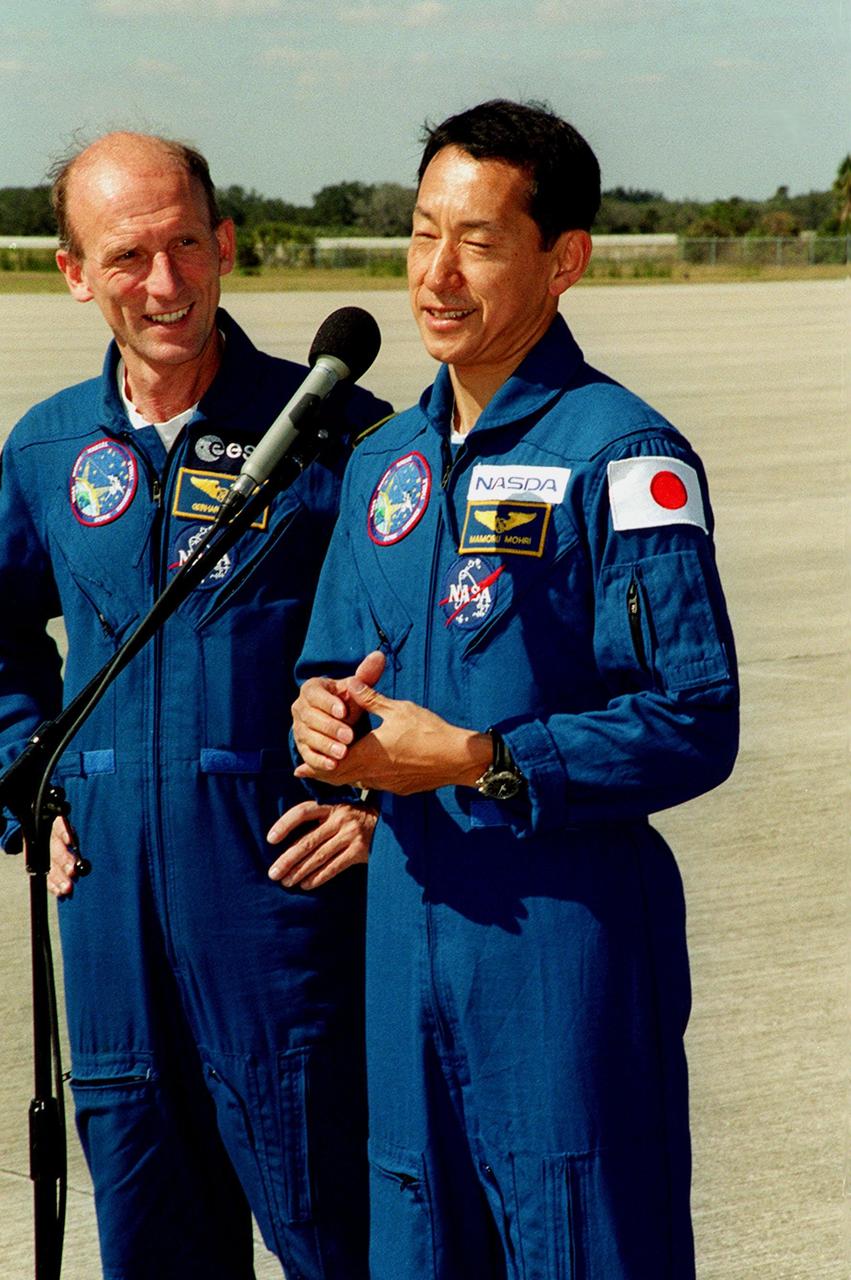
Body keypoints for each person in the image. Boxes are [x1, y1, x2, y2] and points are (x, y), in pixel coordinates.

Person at [286, 99, 739, 1279]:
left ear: (561, 259)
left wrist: (480, 758)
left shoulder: (622, 455)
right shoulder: (381, 462)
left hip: (559, 945)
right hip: (405, 930)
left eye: (478, 242)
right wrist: (323, 722)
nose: (435, 273)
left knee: (580, 1235)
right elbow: (333, 663)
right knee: (417, 1237)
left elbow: (692, 717)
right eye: (421, 232)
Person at [0, 131, 390, 1280]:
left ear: (224, 244)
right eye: (127, 256)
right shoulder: (46, 449)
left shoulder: (347, 436)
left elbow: (431, 651)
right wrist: (29, 781)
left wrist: (383, 802)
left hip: (284, 925)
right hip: (109, 934)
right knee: (152, 1241)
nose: (163, 282)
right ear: (75, 272)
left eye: (184, 245)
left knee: (342, 1239)